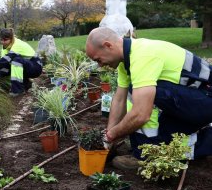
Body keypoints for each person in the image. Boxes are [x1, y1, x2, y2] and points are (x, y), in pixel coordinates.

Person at [85, 27, 212, 169]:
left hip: (206, 99)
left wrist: (110, 136)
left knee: (138, 91)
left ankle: (142, 157)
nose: (100, 65)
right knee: (166, 141)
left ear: (108, 45)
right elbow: (119, 99)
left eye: (98, 60)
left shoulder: (142, 56)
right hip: (192, 99)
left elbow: (141, 114)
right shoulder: (126, 61)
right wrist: (109, 134)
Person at [0, 28, 43, 96]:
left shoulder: (17, 44)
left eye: (5, 40)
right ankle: (26, 84)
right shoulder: (5, 48)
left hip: (36, 67)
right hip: (26, 66)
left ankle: (18, 90)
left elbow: (6, 59)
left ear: (11, 39)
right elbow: (3, 63)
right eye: (1, 40)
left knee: (16, 61)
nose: (3, 42)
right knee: (5, 67)